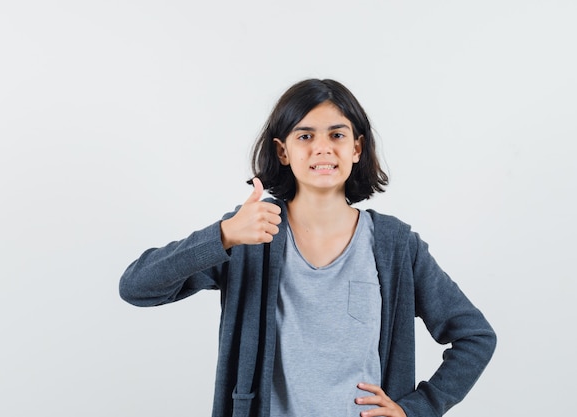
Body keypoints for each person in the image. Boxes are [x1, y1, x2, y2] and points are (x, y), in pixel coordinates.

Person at [119, 78, 497, 417]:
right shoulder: (250, 233)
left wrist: (418, 409)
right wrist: (223, 236)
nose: (322, 149)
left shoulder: (394, 246)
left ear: (357, 148)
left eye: (336, 135)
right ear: (283, 151)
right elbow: (137, 287)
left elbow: (475, 336)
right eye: (305, 136)